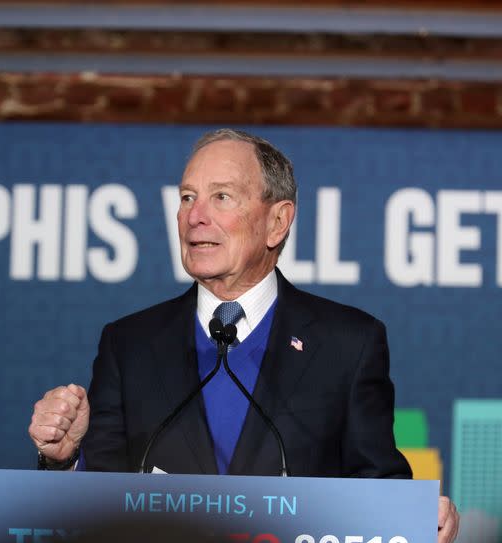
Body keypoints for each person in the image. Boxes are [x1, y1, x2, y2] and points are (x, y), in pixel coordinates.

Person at [28, 129, 459, 543]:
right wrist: (64, 462)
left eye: (222, 197)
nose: (196, 216)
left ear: (277, 222)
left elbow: (378, 488)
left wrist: (417, 522)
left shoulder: (348, 344)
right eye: (187, 197)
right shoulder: (128, 344)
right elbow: (97, 502)